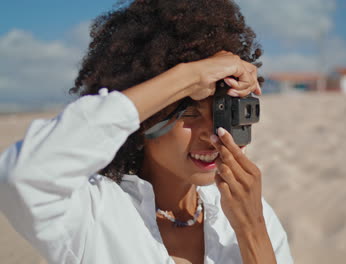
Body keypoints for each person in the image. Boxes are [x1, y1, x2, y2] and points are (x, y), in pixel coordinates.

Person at [0, 0, 293, 263]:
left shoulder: (250, 212)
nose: (211, 134)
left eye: (220, 111)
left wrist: (251, 230)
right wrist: (188, 76)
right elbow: (23, 175)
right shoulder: (95, 214)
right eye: (188, 111)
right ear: (146, 117)